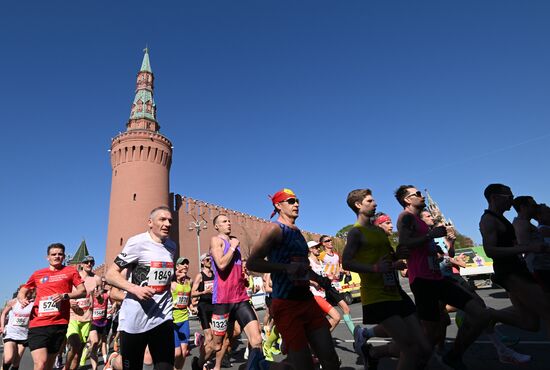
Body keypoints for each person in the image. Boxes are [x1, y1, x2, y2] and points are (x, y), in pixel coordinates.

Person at [395, 185, 493, 370]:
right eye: (416, 194)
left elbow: (426, 246)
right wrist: (431, 235)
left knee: (480, 314)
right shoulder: (405, 217)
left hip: (438, 277)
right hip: (423, 280)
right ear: (407, 200)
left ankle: (453, 356)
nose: (421, 196)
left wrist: (439, 250)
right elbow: (405, 243)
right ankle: (411, 362)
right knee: (431, 333)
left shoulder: (420, 220)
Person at [420, 209, 530, 365]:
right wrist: (451, 261)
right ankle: (428, 353)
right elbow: (435, 259)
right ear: (420, 220)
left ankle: (500, 348)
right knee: (439, 323)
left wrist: (451, 245)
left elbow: (449, 255)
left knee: (479, 308)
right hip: (438, 281)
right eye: (427, 216)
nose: (431, 217)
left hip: (451, 278)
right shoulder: (424, 238)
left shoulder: (439, 237)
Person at [247, 188, 340, 370]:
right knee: (302, 366)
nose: (296, 204)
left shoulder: (297, 232)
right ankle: (262, 366)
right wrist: (285, 268)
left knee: (330, 360)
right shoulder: (273, 229)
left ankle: (263, 366)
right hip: (286, 305)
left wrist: (320, 280)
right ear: (278, 205)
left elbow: (303, 266)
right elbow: (252, 263)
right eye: (290, 201)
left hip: (307, 301)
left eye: (297, 200)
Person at [342, 188, 430, 370]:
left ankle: (373, 354)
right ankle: (372, 352)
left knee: (425, 347)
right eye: (369, 201)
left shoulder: (379, 232)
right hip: (377, 297)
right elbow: (347, 263)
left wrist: (397, 257)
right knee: (410, 349)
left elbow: (388, 258)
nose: (375, 204)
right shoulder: (356, 232)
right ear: (358, 205)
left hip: (395, 292)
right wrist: (375, 268)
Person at [105, 206, 177, 370]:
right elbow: (110, 274)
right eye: (162, 220)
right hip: (135, 319)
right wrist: (134, 289)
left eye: (170, 220)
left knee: (165, 367)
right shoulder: (137, 243)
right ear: (150, 223)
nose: (167, 224)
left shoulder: (171, 246)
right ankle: (115, 361)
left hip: (162, 315)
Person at [192, 214, 264, 370]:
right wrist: (232, 246)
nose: (228, 223)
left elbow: (236, 270)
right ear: (217, 226)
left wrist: (243, 278)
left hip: (241, 298)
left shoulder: (235, 243)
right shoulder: (216, 241)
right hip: (223, 300)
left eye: (229, 221)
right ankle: (198, 364)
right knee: (216, 345)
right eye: (224, 221)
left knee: (257, 339)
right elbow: (221, 265)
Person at [479, 185, 550, 337]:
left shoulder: (503, 219)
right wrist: (528, 247)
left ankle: (492, 315)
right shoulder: (489, 219)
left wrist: (528, 247)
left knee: (530, 323)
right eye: (509, 197)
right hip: (510, 272)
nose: (512, 201)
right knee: (547, 311)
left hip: (518, 268)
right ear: (494, 198)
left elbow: (510, 246)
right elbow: (490, 251)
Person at [18, 243, 86, 370]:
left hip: (59, 323)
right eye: (53, 254)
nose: (57, 256)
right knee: (40, 363)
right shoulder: (38, 274)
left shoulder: (70, 271)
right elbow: (24, 289)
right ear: (47, 257)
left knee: (49, 364)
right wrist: (21, 298)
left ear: (64, 256)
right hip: (38, 324)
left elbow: (83, 291)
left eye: (60, 254)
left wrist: (65, 296)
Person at [65, 255, 101, 370]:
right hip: (72, 316)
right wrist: (70, 301)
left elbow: (99, 299)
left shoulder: (97, 279)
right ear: (81, 264)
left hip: (86, 318)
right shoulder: (74, 276)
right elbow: (65, 292)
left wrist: (99, 297)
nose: (89, 264)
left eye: (92, 262)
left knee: (78, 354)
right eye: (87, 262)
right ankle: (66, 367)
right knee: (74, 345)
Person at [318, 236, 355, 335]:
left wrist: (345, 272)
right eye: (327, 241)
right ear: (323, 244)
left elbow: (338, 268)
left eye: (330, 240)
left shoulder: (336, 255)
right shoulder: (321, 255)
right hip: (328, 286)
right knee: (346, 309)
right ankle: (356, 335)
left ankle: (321, 337)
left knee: (324, 315)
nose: (330, 242)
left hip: (336, 285)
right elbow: (317, 268)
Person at [307, 240, 342, 332]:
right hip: (314, 295)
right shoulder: (308, 262)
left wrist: (330, 278)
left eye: (319, 247)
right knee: (336, 317)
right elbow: (302, 277)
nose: (319, 249)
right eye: (316, 247)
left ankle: (315, 341)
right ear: (310, 249)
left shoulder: (321, 263)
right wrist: (314, 283)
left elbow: (322, 278)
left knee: (318, 323)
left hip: (323, 294)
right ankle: (322, 340)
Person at [191, 253, 216, 369]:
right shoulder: (200, 276)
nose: (209, 261)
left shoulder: (214, 274)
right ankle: (203, 360)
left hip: (214, 305)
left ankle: (203, 349)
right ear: (202, 262)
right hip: (204, 306)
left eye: (210, 259)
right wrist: (203, 292)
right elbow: (193, 293)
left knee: (216, 336)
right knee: (209, 337)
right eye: (207, 260)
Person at [1, 287, 34, 370]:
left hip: (23, 335)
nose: (28, 293)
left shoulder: (33, 303)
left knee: (16, 363)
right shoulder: (13, 301)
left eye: (30, 291)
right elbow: (4, 313)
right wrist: (2, 326)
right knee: (8, 358)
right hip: (11, 333)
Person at [172, 257, 192, 370]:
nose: (185, 265)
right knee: (177, 353)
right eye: (182, 264)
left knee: (184, 353)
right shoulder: (172, 283)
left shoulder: (189, 282)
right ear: (177, 267)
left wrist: (191, 306)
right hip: (173, 319)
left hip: (184, 318)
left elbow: (187, 299)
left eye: (187, 263)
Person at [88, 279, 110, 370]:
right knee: (95, 342)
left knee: (102, 343)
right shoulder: (90, 295)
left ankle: (89, 351)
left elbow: (102, 300)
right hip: (93, 322)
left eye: (99, 288)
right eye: (96, 288)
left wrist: (115, 306)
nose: (97, 290)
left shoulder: (105, 295)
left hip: (103, 322)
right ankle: (95, 367)